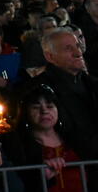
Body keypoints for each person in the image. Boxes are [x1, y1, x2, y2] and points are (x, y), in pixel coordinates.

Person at [22, 27, 98, 159]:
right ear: (50, 56)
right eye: (68, 49)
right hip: (66, 162)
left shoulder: (92, 83)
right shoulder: (35, 89)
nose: (78, 52)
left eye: (77, 46)